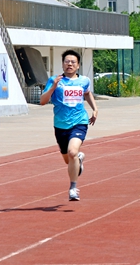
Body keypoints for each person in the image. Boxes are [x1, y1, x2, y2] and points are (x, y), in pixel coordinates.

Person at [39, 49, 98, 201]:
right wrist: (53, 87)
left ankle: (73, 188)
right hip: (60, 125)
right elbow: (42, 101)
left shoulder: (84, 80)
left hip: (79, 122)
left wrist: (95, 109)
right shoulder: (54, 80)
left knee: (72, 152)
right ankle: (78, 159)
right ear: (63, 64)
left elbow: (87, 93)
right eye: (67, 61)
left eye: (73, 62)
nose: (69, 64)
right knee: (68, 159)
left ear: (78, 65)